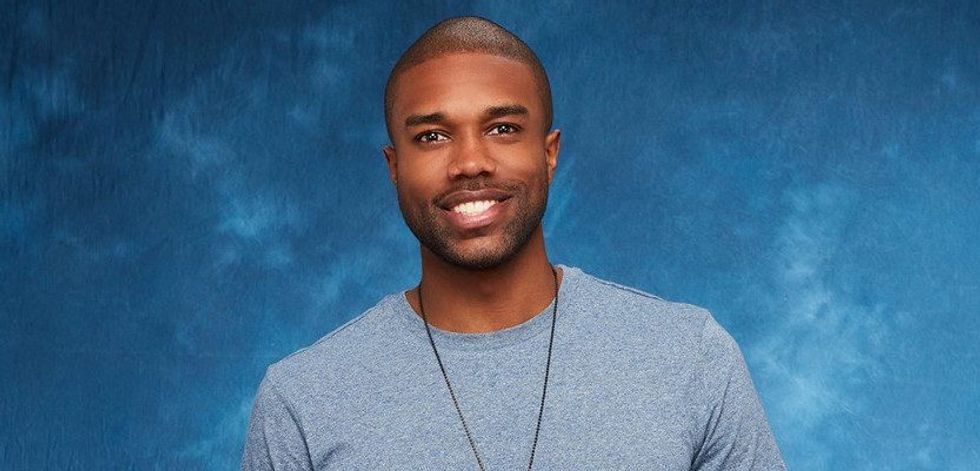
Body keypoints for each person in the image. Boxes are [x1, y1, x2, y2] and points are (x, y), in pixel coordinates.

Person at [242, 16, 786, 470]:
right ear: (394, 167)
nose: (470, 162)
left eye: (502, 128)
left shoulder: (688, 357)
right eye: (432, 136)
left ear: (549, 154)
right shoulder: (304, 401)